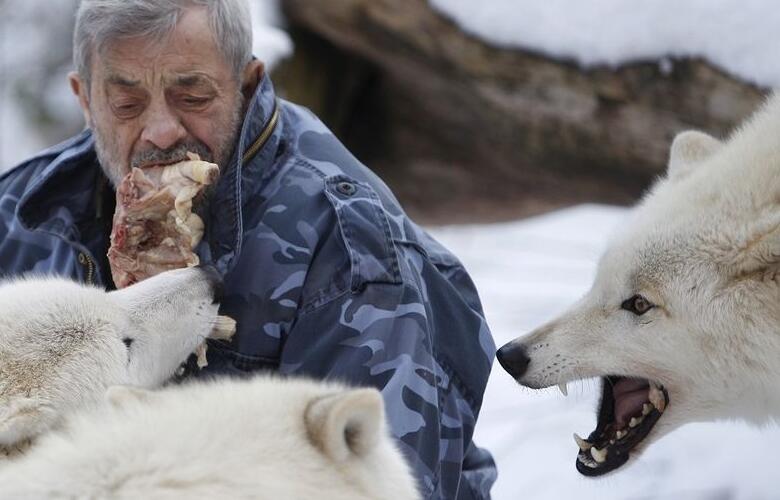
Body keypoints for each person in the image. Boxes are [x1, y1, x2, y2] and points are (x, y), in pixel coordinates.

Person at [0, 1, 497, 497]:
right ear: (84, 99)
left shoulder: (355, 250)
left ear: (248, 82)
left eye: (192, 95)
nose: (161, 130)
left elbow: (377, 481)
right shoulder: (15, 214)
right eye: (126, 104)